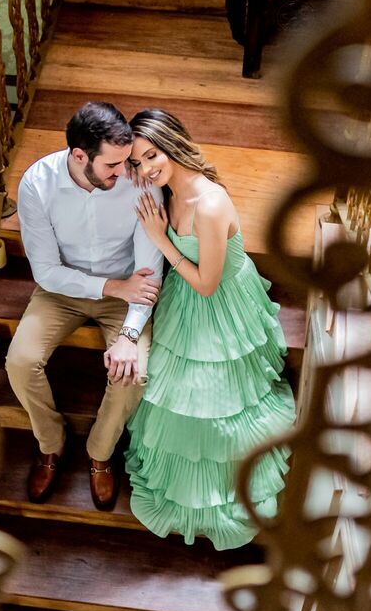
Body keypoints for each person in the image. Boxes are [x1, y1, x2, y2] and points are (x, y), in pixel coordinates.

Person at [123, 108, 295, 550]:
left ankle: (221, 490)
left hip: (219, 303)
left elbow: (207, 284)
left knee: (213, 401)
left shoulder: (211, 203)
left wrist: (161, 240)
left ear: (173, 145)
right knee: (173, 392)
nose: (147, 168)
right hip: (184, 296)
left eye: (152, 155)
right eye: (138, 161)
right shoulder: (166, 192)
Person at [6, 102, 164, 510]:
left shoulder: (139, 181)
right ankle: (50, 443)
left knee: (134, 373)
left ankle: (100, 453)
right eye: (112, 164)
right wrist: (111, 286)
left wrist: (129, 335)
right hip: (63, 289)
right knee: (20, 362)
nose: (124, 171)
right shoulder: (37, 184)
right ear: (79, 156)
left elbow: (149, 273)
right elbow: (45, 272)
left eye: (126, 160)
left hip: (128, 291)